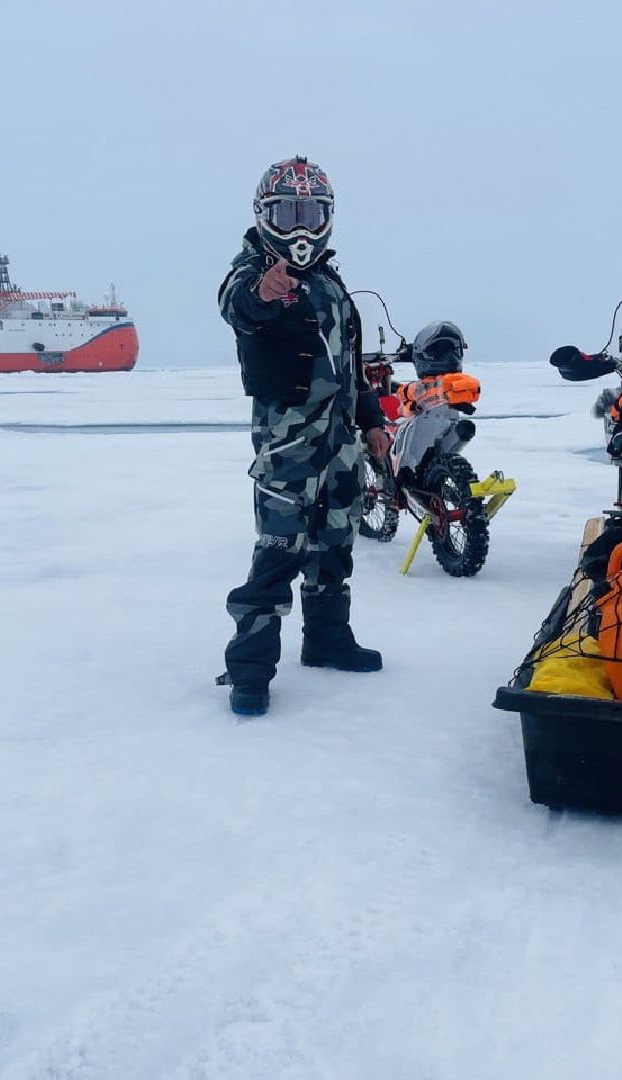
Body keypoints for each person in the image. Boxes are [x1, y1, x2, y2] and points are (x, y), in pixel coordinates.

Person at [215, 156, 390, 717]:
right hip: (288, 446)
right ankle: (250, 668)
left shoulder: (332, 286)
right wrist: (263, 292)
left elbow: (354, 366)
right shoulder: (253, 272)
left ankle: (327, 640)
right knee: (278, 550)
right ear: (265, 217)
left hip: (341, 442)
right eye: (287, 214)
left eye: (310, 215)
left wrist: (372, 421)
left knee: (335, 543)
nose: (299, 230)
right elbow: (238, 306)